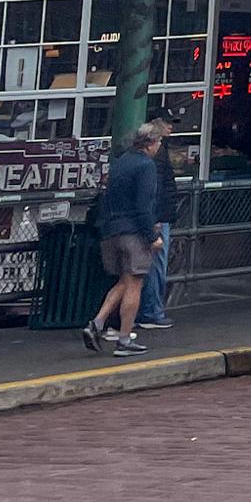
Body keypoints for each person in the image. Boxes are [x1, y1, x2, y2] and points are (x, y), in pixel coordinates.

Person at [82, 125, 163, 358]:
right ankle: (124, 339)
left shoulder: (121, 162)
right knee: (135, 284)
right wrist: (152, 236)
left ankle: (96, 323)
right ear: (150, 143)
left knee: (124, 281)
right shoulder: (146, 166)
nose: (159, 148)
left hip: (111, 230)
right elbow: (143, 206)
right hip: (133, 233)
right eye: (158, 144)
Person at [135, 109, 180, 331]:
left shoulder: (154, 153)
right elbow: (158, 188)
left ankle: (148, 310)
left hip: (157, 215)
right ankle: (151, 311)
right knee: (155, 265)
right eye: (167, 123)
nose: (171, 127)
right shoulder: (157, 154)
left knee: (150, 266)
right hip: (159, 217)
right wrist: (158, 217)